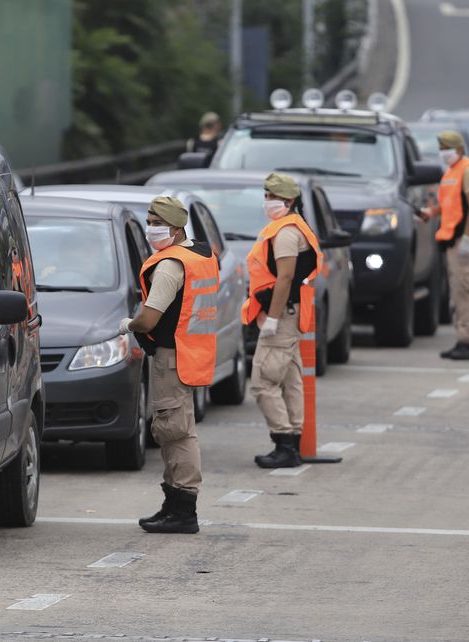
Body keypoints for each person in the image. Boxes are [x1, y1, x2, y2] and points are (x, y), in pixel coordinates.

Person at [119, 196, 219, 534]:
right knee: (175, 429)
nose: (150, 229)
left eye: (156, 223)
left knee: (175, 432)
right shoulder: (199, 256)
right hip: (190, 352)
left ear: (175, 229)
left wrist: (128, 324)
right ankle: (173, 505)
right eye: (148, 222)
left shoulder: (171, 265)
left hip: (172, 358)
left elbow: (149, 319)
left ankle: (183, 510)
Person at [241, 173, 323, 468]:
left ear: (289, 201)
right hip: (287, 312)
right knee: (289, 379)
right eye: (265, 195)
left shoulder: (287, 232)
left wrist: (272, 319)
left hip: (281, 315)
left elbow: (285, 277)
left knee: (263, 382)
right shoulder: (285, 227)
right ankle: (294, 442)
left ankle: (285, 443)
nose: (267, 202)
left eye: (272, 197)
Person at [420, 130, 469, 361]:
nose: (443, 153)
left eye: (446, 148)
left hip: (464, 241)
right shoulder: (451, 171)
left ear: (458, 149)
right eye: (440, 149)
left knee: (464, 291)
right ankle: (461, 339)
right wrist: (432, 211)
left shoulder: (468, 171)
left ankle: (466, 342)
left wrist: (467, 237)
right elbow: (450, 204)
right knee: (457, 292)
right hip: (453, 240)